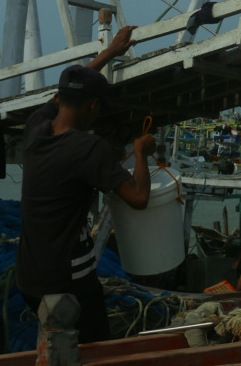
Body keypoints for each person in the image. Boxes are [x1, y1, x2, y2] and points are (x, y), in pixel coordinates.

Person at [16, 26, 158, 344]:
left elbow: (69, 90)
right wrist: (140, 154)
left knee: (54, 343)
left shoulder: (34, 129)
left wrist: (108, 54)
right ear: (93, 107)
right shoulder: (88, 149)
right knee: (94, 348)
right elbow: (138, 198)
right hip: (68, 283)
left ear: (60, 99)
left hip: (28, 279)